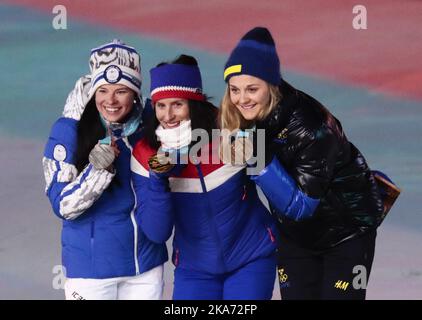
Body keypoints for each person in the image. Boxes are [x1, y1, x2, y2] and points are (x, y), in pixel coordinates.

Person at [219, 27, 397, 300]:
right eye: (235, 89)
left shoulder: (311, 127)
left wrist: (259, 161)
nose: (242, 99)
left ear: (272, 85)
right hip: (296, 236)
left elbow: (302, 206)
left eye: (252, 89)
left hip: (347, 233)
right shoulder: (239, 118)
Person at [131, 54, 278, 300]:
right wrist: (158, 180)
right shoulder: (147, 153)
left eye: (177, 104)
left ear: (193, 103)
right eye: (161, 105)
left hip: (251, 258)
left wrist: (256, 157)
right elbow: (157, 233)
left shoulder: (231, 129)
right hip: (194, 269)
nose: (168, 116)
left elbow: (280, 191)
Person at [42, 39, 167, 300]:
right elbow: (62, 205)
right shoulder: (69, 130)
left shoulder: (151, 126)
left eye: (121, 91)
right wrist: (98, 169)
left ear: (135, 93)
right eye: (103, 91)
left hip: (144, 267)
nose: (110, 100)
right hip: (90, 272)